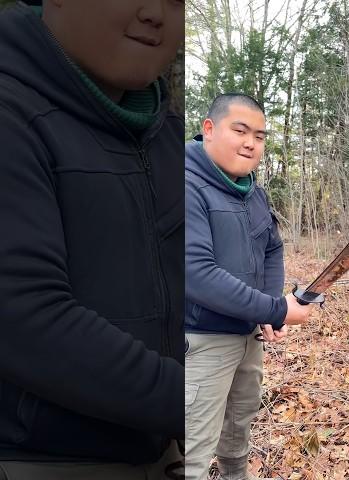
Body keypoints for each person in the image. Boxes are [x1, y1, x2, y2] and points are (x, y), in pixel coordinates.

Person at [0, 1, 185, 478]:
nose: (155, 14)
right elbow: (23, 317)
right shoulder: (12, 115)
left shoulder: (166, 138)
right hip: (40, 461)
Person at [185, 93, 313, 480]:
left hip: (247, 337)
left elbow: (272, 247)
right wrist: (276, 310)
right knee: (190, 449)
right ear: (209, 129)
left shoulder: (253, 192)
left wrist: (269, 306)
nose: (250, 143)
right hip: (199, 340)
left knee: (238, 430)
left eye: (259, 136)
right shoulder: (184, 186)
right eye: (240, 131)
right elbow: (195, 273)